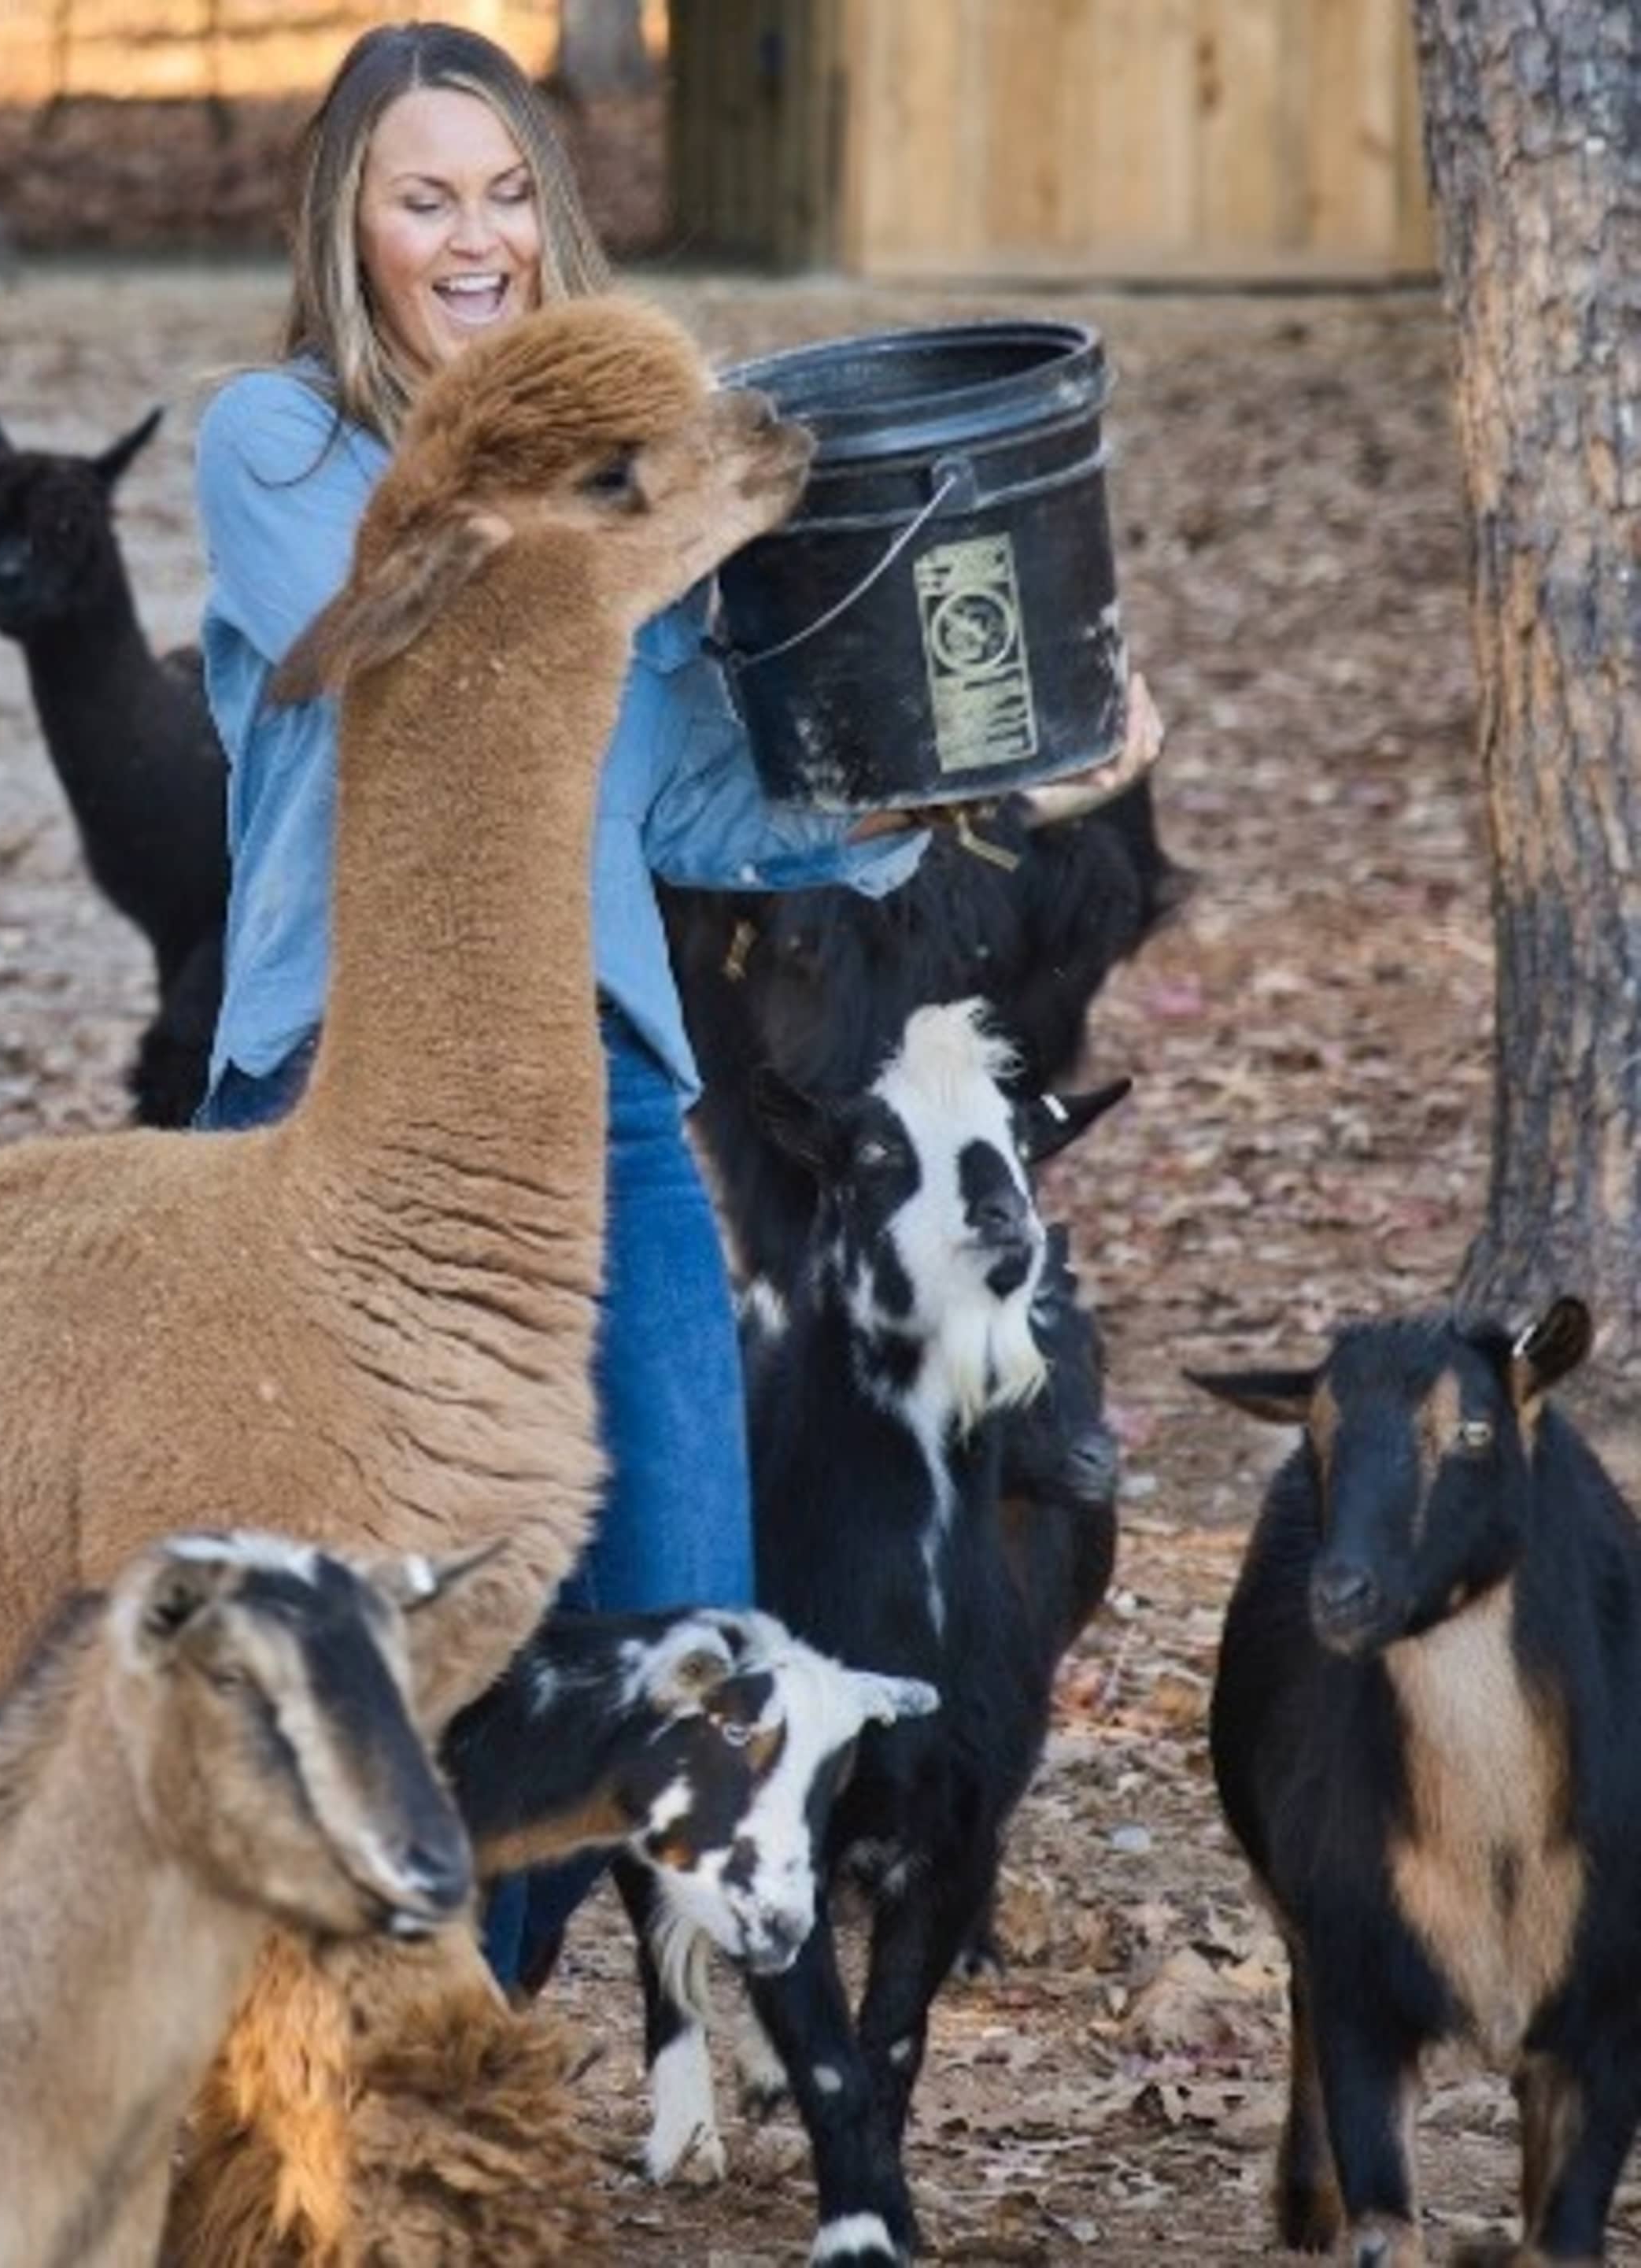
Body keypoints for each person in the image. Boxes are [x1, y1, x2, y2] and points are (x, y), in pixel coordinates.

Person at [189, 20, 1164, 1987]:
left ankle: (476, 1997)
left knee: (681, 1633)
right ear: (349, 229)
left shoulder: (639, 486)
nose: (475, 240)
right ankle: (319, 2065)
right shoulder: (277, 446)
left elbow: (714, 795)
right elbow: (427, 639)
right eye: (422, 200)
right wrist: (668, 495)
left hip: (604, 1098)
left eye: (505, 198)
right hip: (338, 1089)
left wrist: (978, 775)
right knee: (351, 1626)